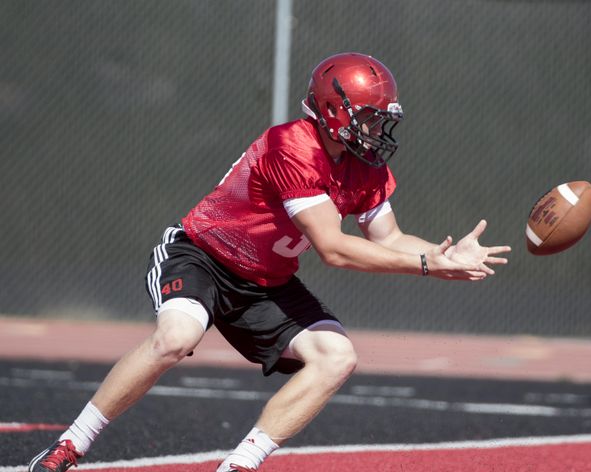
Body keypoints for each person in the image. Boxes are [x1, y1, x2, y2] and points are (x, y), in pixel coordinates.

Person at [28, 52, 510, 472]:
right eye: (368, 116)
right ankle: (71, 444)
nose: (376, 128)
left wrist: (441, 254)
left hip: (264, 280)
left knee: (337, 356)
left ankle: (240, 464)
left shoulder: (365, 165)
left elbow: (391, 237)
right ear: (334, 110)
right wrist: (427, 267)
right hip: (203, 256)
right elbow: (333, 248)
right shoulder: (292, 146)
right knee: (176, 338)